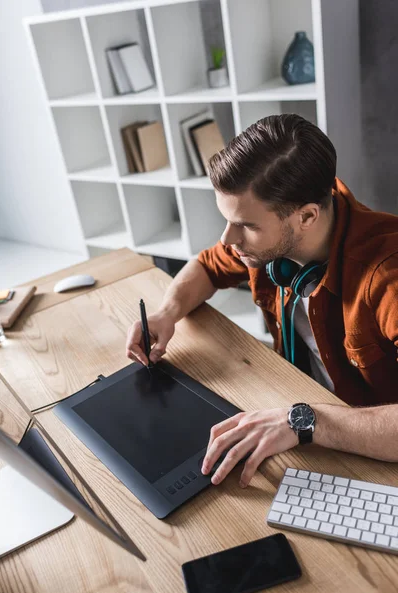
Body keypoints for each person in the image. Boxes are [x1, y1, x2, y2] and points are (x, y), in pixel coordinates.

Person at [126, 114, 398, 489]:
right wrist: (166, 313)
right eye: (228, 220)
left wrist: (303, 421)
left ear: (306, 217)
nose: (227, 239)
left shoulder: (388, 277)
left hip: (365, 450)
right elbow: (207, 266)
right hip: (293, 410)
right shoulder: (268, 235)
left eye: (247, 226)